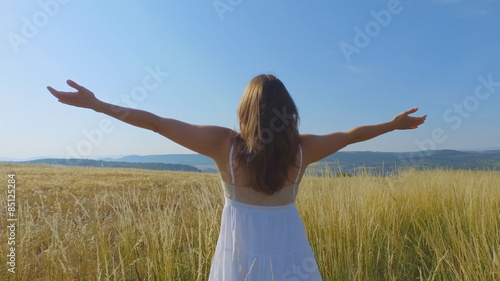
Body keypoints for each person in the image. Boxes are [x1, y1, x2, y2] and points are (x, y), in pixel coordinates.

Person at [47, 74, 426, 280]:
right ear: (288, 112)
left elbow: (156, 124)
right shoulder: (302, 148)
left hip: (239, 253)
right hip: (290, 250)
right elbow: (353, 135)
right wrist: (392, 126)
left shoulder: (222, 144)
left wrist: (98, 105)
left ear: (245, 110)